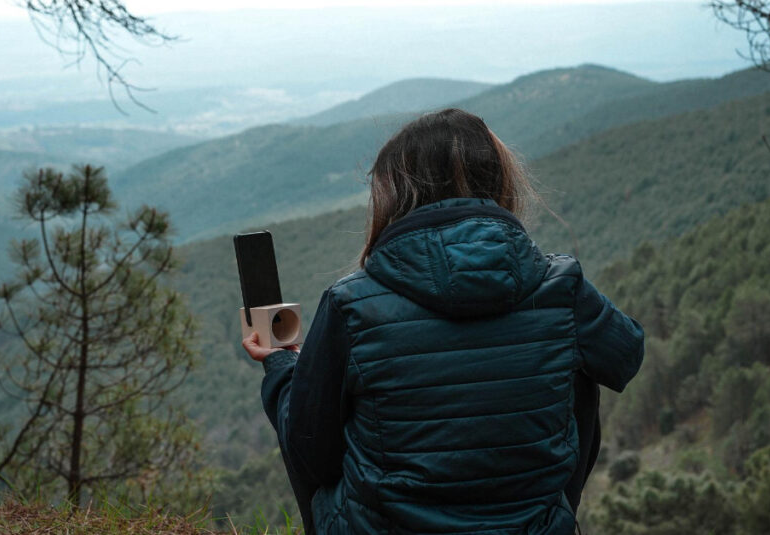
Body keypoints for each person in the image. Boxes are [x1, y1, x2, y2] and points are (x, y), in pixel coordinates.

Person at [242, 108, 644, 534]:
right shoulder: (562, 288)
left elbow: (313, 455)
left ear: (395, 197)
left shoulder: (352, 304)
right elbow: (625, 355)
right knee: (579, 360)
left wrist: (284, 366)